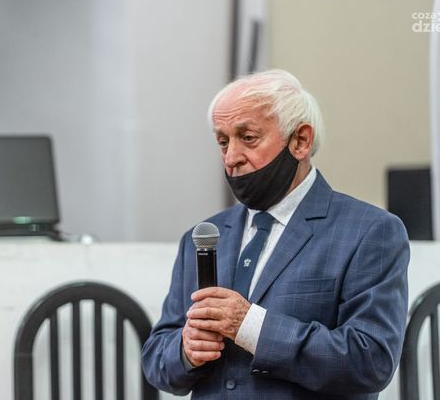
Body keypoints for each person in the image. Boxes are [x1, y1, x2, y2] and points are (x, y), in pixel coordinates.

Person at [141, 69, 409, 399]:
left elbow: (371, 360)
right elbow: (156, 359)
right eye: (223, 142)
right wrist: (185, 351)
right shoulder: (203, 238)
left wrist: (250, 325)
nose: (231, 158)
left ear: (300, 141)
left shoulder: (369, 231)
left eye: (248, 138)